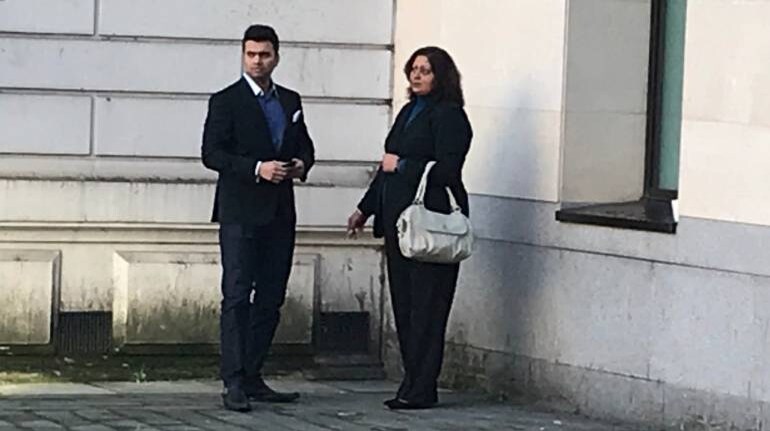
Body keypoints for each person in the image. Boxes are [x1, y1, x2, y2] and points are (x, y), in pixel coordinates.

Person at [347, 46, 472, 410]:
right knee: (405, 305)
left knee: (428, 308)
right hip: (399, 224)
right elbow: (384, 168)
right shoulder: (408, 111)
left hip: (431, 225)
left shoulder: (450, 115)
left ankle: (422, 386)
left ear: (441, 76)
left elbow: (447, 169)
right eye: (413, 69)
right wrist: (365, 208)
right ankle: (412, 381)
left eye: (425, 70)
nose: (416, 76)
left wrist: (402, 166)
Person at [201, 24, 315, 412]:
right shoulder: (226, 100)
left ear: (276, 57)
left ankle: (252, 374)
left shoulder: (290, 100)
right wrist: (256, 168)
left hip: (280, 211)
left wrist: (300, 164)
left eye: (264, 55)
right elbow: (212, 154)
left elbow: (305, 146)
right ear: (243, 55)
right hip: (240, 211)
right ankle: (233, 379)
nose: (257, 61)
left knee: (271, 297)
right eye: (251, 54)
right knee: (236, 295)